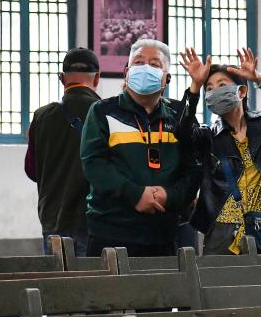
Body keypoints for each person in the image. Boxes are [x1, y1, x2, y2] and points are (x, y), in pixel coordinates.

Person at [176, 47, 261, 255]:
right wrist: (195, 86)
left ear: (242, 92)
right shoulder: (208, 137)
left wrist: (260, 79)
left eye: (222, 85)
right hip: (222, 232)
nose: (214, 92)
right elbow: (181, 132)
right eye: (209, 88)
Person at [80, 39, 199, 257]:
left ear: (167, 78)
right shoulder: (102, 112)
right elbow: (94, 164)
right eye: (138, 62)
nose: (145, 68)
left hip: (165, 235)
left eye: (154, 64)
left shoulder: (179, 116)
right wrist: (135, 194)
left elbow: (193, 169)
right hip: (111, 233)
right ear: (127, 72)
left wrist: (170, 196)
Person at [24, 47, 101, 257]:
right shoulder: (105, 113)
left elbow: (31, 170)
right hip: (91, 222)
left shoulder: (41, 116)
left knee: (58, 276)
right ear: (97, 78)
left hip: (53, 220)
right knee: (92, 277)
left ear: (61, 78)